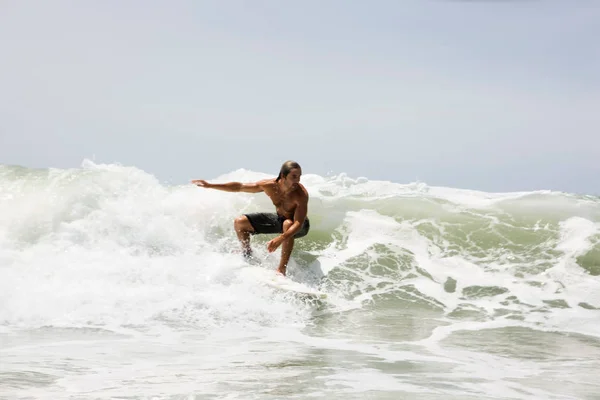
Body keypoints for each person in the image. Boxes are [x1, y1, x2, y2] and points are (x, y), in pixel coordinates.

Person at [191, 160, 309, 276]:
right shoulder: (269, 185)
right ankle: (247, 254)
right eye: (294, 176)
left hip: (300, 226)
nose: (297, 180)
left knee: (288, 224)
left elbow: (298, 223)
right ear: (283, 176)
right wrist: (210, 185)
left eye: (299, 177)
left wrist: (280, 238)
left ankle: (281, 270)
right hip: (280, 219)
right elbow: (240, 187)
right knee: (240, 222)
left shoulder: (300, 194)